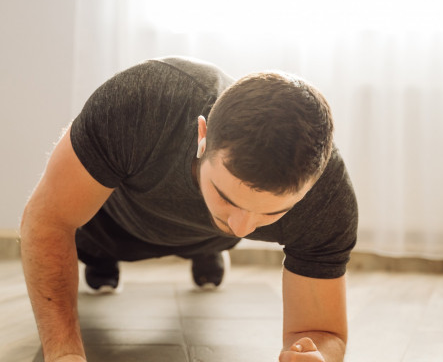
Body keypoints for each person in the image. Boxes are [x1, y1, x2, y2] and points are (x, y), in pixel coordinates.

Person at [20, 56, 358, 362]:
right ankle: (102, 260)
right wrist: (64, 354)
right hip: (110, 226)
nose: (243, 228)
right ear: (202, 136)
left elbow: (322, 331)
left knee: (222, 231)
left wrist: (316, 356)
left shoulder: (326, 196)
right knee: (93, 251)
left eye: (271, 214)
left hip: (208, 236)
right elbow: (50, 219)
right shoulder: (140, 105)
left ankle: (206, 249)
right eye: (228, 197)